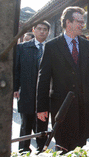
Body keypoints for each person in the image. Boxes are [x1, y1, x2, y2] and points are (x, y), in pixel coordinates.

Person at [36, 6, 89, 153]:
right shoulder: (52, 46)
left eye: (83, 21)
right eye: (79, 21)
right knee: (63, 143)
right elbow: (43, 78)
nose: (83, 25)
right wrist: (42, 107)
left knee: (80, 142)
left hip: (83, 103)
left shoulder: (86, 44)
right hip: (62, 104)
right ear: (68, 22)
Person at [14, 21, 51, 153]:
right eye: (39, 29)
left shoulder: (50, 48)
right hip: (27, 92)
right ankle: (23, 149)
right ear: (34, 30)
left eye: (45, 29)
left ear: (48, 32)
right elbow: (16, 69)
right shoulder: (22, 48)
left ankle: (42, 149)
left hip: (44, 94)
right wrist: (14, 88)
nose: (42, 31)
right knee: (26, 124)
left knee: (42, 124)